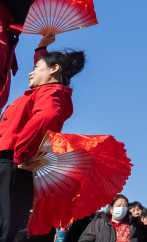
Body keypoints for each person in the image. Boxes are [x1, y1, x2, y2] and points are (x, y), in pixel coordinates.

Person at [0, 34, 84, 242]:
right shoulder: (48, 89)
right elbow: (45, 70)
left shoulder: (51, 92)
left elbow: (48, 115)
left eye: (36, 68)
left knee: (4, 228)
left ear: (54, 69)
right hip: (10, 161)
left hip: (13, 162)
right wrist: (41, 49)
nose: (31, 72)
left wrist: (23, 155)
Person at [79, 194, 144, 242]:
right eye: (118, 206)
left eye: (124, 206)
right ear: (111, 209)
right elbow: (85, 239)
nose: (121, 208)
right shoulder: (98, 223)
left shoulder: (132, 224)